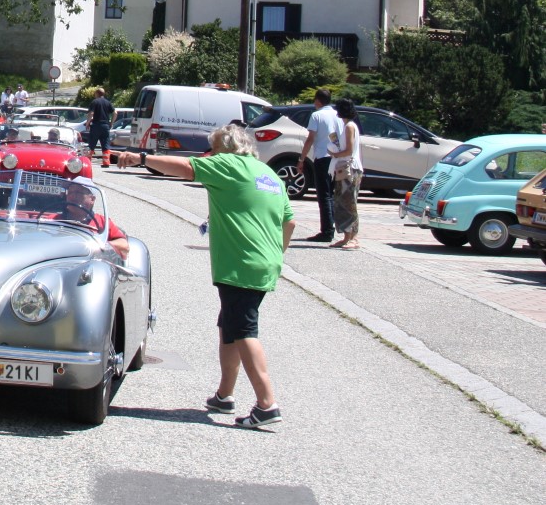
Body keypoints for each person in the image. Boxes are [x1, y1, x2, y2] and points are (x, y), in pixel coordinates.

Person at [115, 124, 293, 429]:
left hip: (241, 263)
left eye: (213, 149)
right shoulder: (268, 175)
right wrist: (275, 254)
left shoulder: (230, 164)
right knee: (230, 325)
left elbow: (186, 167)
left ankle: (266, 403)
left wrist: (142, 158)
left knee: (245, 329)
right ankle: (225, 394)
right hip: (264, 262)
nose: (209, 155)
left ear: (225, 148)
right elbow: (289, 222)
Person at [300, 89, 343, 243]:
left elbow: (310, 138)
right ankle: (331, 228)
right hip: (335, 157)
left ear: (318, 100)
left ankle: (326, 231)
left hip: (322, 157)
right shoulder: (337, 115)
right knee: (331, 194)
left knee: (323, 195)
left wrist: (302, 158)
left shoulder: (316, 115)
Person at [58, 182, 130, 258]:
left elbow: (124, 245)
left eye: (78, 193)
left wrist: (99, 245)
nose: (72, 196)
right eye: (70, 192)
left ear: (92, 199)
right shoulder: (53, 219)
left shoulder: (102, 221)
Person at [329, 99, 364, 250]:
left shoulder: (350, 126)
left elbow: (349, 150)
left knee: (350, 202)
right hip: (343, 167)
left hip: (351, 168)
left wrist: (335, 154)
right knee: (341, 200)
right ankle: (346, 236)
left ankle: (354, 238)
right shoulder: (346, 126)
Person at [86, 86, 115, 164]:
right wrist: (111, 123)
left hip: (96, 125)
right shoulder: (108, 102)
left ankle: (88, 161)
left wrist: (87, 123)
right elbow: (115, 113)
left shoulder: (95, 102)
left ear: (97, 93)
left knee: (92, 144)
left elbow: (91, 113)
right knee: (105, 144)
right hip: (105, 125)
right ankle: (106, 162)